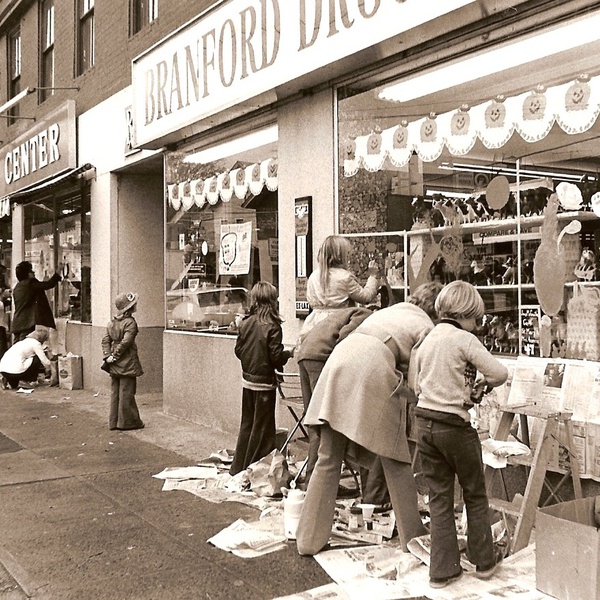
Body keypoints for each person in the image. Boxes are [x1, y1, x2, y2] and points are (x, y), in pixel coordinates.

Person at [295, 282, 444, 556]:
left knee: (328, 457)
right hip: (373, 364)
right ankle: (413, 536)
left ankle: (308, 539)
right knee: (396, 458)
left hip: (340, 360)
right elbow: (416, 379)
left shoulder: (392, 310)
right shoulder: (428, 327)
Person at [412, 280, 508, 589]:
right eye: (476, 319)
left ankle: (443, 570)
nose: (476, 324)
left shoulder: (426, 339)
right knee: (474, 494)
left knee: (438, 498)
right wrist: (480, 387)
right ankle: (484, 562)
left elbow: (416, 386)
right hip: (454, 426)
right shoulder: (464, 339)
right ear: (466, 314)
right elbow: (499, 372)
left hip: (424, 423)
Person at [295, 306, 373, 487]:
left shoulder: (342, 313)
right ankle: (319, 483)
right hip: (321, 356)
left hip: (305, 354)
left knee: (313, 420)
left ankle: (312, 480)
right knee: (323, 422)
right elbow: (345, 337)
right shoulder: (366, 315)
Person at [230, 281, 292, 476]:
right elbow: (275, 356)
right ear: (272, 300)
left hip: (248, 380)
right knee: (263, 429)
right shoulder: (273, 326)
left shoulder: (246, 322)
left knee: (247, 424)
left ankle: (239, 467)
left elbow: (238, 350)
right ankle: (258, 470)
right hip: (265, 383)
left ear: (255, 299)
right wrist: (288, 354)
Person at [296, 236, 379, 350]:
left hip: (314, 322)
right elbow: (366, 297)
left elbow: (310, 299)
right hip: (338, 322)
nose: (349, 256)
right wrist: (373, 276)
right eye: (348, 253)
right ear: (341, 256)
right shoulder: (344, 276)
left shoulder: (314, 276)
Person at [101, 292, 145, 431]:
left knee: (115, 392)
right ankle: (128, 422)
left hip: (114, 362)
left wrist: (108, 356)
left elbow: (105, 340)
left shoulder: (112, 322)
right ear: (129, 308)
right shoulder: (130, 323)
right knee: (127, 392)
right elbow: (127, 342)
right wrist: (115, 355)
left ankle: (113, 422)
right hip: (127, 361)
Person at [11, 260, 61, 342]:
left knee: (17, 349)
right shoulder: (30, 283)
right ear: (27, 274)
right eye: (31, 271)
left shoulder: (17, 287)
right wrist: (58, 272)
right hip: (27, 323)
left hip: (17, 323)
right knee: (26, 348)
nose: (33, 273)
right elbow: (49, 284)